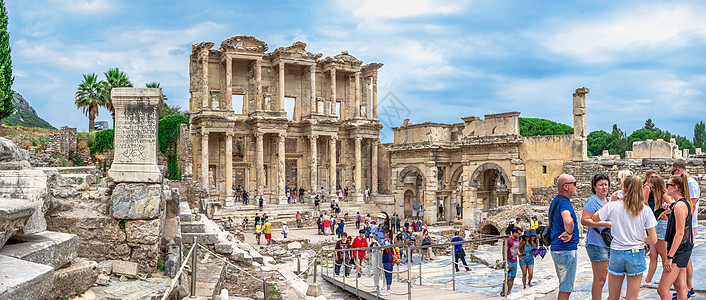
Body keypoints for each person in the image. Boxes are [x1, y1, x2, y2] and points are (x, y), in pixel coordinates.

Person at [592, 175, 657, 300]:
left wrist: (610, 201)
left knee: (613, 296)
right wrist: (641, 239)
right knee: (631, 297)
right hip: (635, 251)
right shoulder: (645, 210)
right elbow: (653, 239)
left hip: (617, 251)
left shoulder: (613, 206)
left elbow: (595, 218)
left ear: (624, 189)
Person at [657, 173, 694, 300]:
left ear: (676, 187)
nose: (666, 187)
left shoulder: (679, 206)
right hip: (684, 248)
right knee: (680, 286)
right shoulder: (681, 204)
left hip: (678, 251)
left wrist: (670, 256)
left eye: (668, 185)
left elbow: (679, 233)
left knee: (662, 289)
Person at [670, 160, 699, 299]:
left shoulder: (691, 183)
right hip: (687, 224)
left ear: (678, 171)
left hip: (689, 226)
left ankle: (688, 287)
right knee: (685, 260)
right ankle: (685, 288)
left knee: (685, 258)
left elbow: (692, 205)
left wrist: (685, 223)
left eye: (672, 172)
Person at [581, 173, 612, 300]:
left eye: (606, 184)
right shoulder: (592, 201)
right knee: (600, 279)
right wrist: (604, 224)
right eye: (601, 185)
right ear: (594, 187)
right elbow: (584, 220)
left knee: (611, 276)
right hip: (597, 243)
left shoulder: (609, 200)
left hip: (610, 242)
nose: (604, 187)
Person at [548, 174, 580, 300]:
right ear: (566, 187)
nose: (577, 186)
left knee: (564, 286)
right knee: (566, 288)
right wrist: (570, 232)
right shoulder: (565, 203)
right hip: (565, 248)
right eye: (575, 183)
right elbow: (568, 221)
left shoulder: (557, 200)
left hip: (559, 248)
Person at [644, 175, 673, 287]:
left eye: (652, 187)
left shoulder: (664, 195)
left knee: (664, 255)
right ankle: (647, 280)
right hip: (656, 225)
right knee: (653, 254)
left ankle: (669, 280)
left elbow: (673, 206)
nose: (651, 190)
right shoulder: (659, 195)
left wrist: (663, 214)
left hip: (661, 225)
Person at [503, 227, 522, 296]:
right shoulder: (508, 240)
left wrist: (519, 254)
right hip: (508, 260)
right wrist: (505, 262)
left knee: (513, 277)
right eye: (519, 233)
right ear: (514, 233)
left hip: (515, 261)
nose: (520, 235)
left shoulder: (517, 239)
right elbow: (504, 251)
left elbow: (516, 248)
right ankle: (503, 292)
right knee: (507, 278)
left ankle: (509, 292)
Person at [379, 230, 394, 296]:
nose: (383, 234)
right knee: (387, 273)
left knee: (388, 274)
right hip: (388, 258)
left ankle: (388, 289)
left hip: (388, 258)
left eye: (384, 233)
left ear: (387, 233)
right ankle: (388, 288)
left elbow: (382, 248)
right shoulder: (389, 240)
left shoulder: (387, 241)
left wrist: (376, 242)